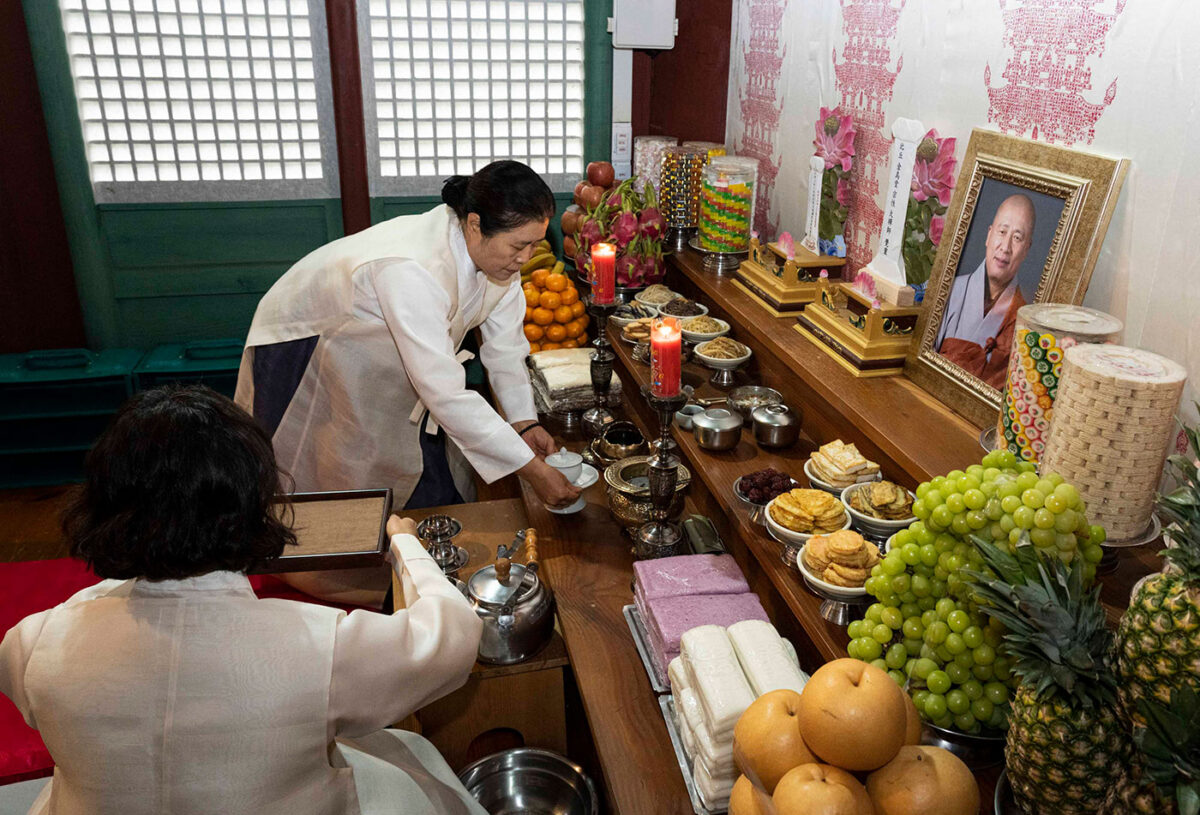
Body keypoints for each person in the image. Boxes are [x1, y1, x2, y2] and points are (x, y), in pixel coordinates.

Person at [0, 386, 487, 815]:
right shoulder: (319, 647)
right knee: (406, 757)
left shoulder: (34, 641)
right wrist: (408, 549)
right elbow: (453, 638)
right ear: (256, 507)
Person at [235, 160, 579, 604]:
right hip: (313, 341)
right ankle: (318, 576)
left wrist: (524, 424)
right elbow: (446, 392)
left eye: (535, 244)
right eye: (519, 245)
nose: (527, 257)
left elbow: (507, 352)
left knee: (401, 447)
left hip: (383, 346)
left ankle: (407, 566)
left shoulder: (502, 264)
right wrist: (532, 471)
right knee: (327, 462)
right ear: (474, 225)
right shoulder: (413, 266)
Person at [935, 193, 1036, 389]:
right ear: (989, 235)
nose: (1005, 247)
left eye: (1017, 238)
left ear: (1026, 249)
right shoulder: (950, 289)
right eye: (1002, 232)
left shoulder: (1025, 319)